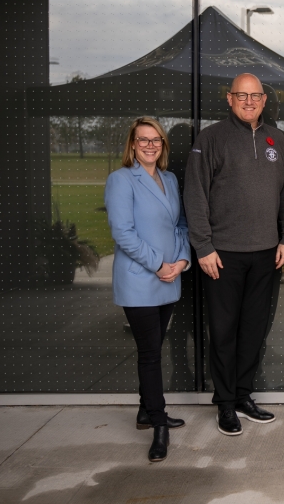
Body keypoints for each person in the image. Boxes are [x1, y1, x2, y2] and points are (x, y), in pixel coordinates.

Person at [184, 73, 284, 436]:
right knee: (224, 331)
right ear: (229, 99)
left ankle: (244, 394)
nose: (249, 101)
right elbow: (196, 195)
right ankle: (225, 403)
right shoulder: (211, 138)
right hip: (223, 255)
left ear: (264, 101)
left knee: (253, 330)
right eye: (241, 95)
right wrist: (203, 246)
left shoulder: (278, 139)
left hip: (266, 254)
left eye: (256, 95)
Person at [105, 117, 190, 462]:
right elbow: (122, 233)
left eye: (156, 140)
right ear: (133, 144)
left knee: (154, 347)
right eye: (144, 140)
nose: (151, 145)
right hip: (141, 280)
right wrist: (158, 264)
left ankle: (144, 410)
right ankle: (158, 423)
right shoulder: (121, 179)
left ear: (163, 145)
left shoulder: (169, 179)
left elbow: (181, 225)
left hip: (170, 277)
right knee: (151, 354)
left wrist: (181, 262)